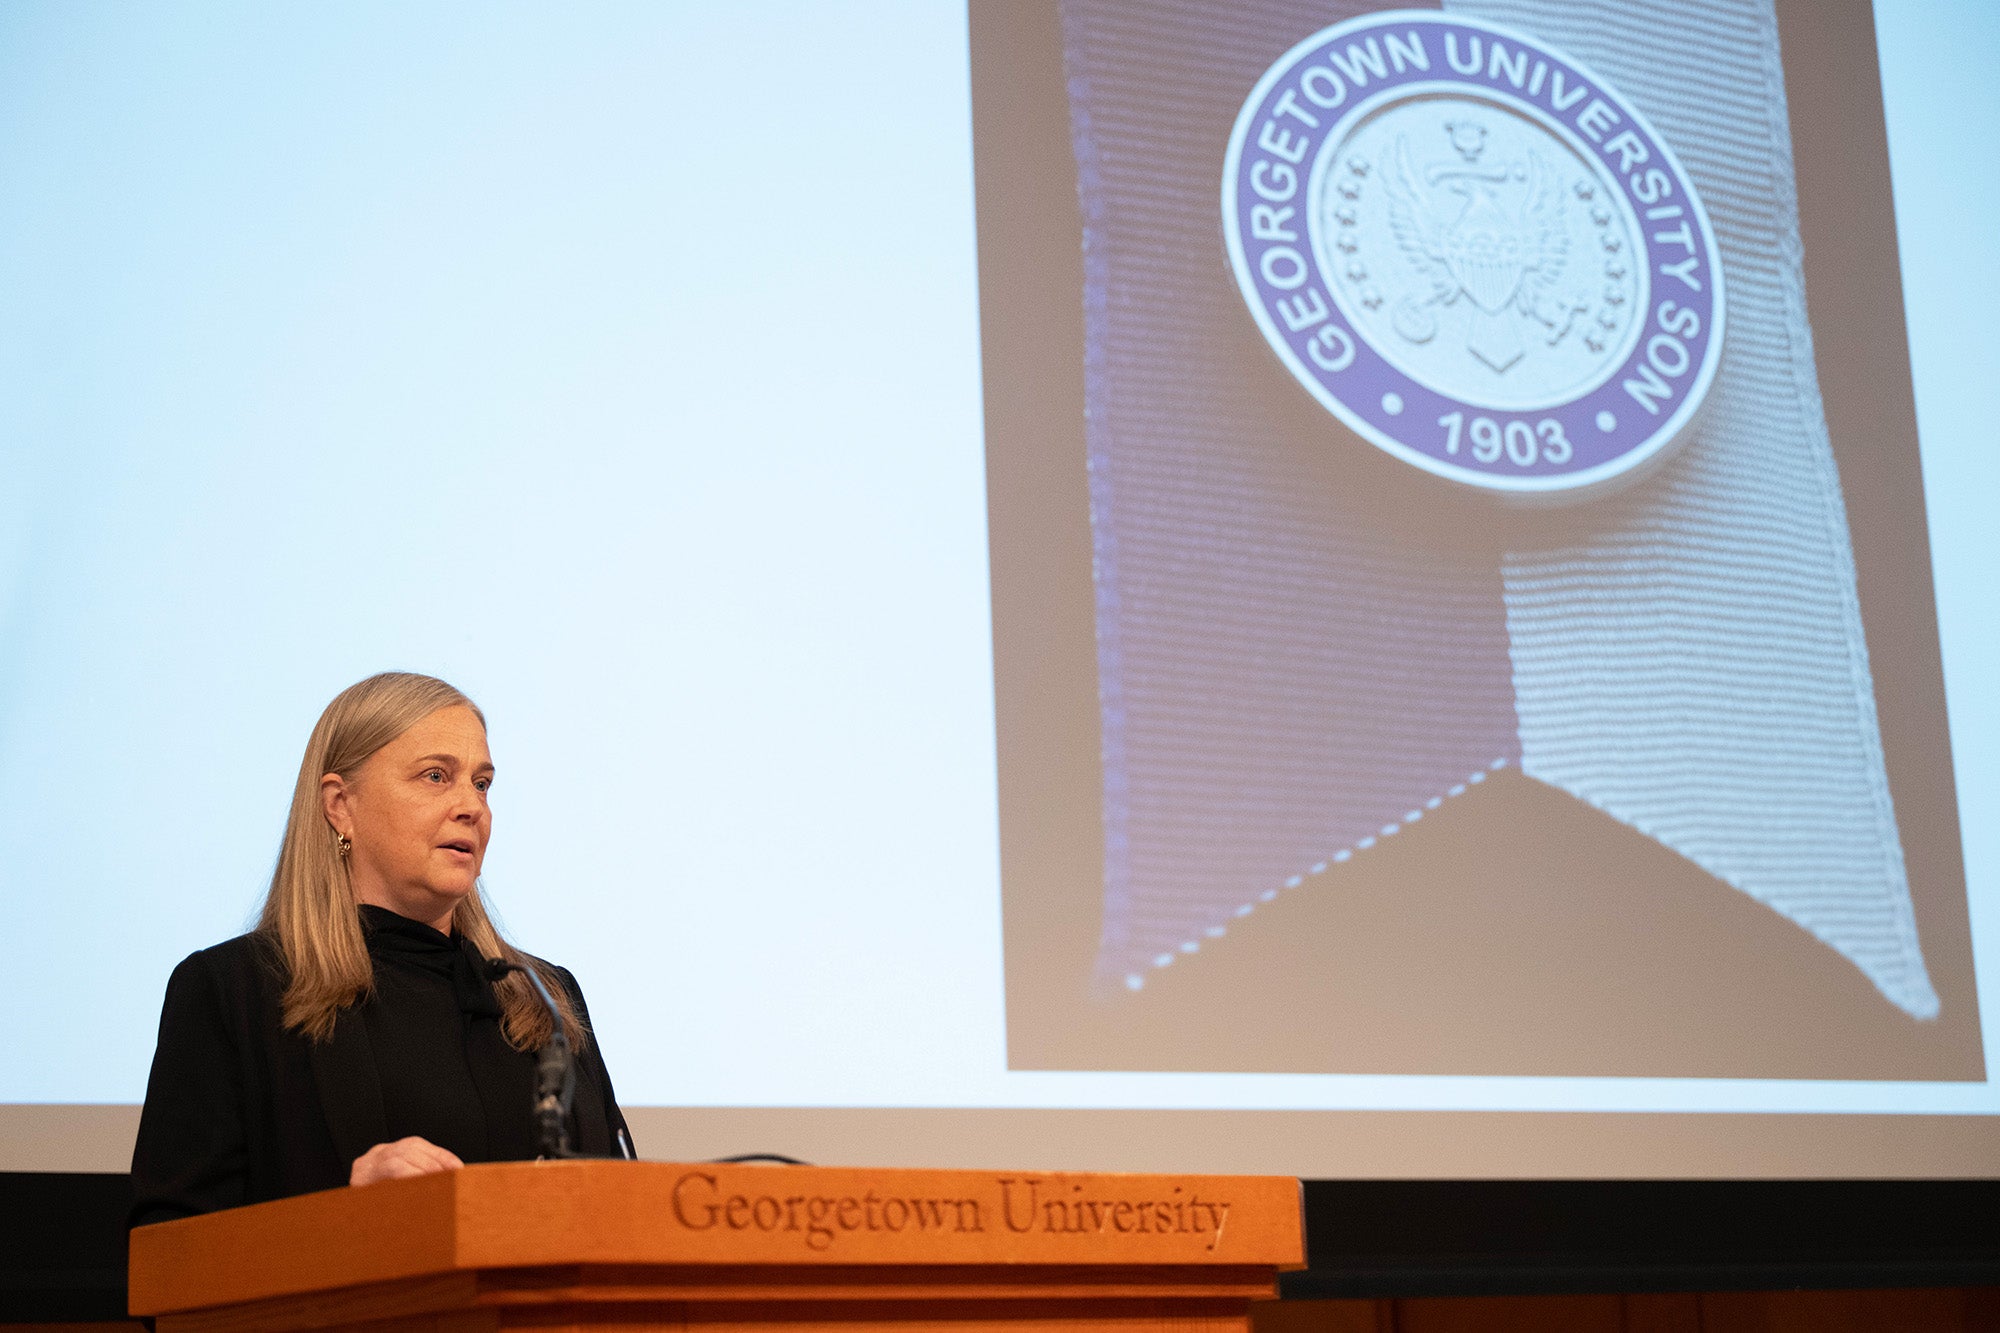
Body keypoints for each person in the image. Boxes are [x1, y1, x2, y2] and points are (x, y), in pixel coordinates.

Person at [130, 672, 631, 1227]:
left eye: (482, 783)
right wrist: (343, 1213)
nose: (472, 806)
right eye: (436, 776)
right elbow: (165, 1259)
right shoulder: (236, 990)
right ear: (340, 805)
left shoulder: (542, 996)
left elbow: (623, 1199)